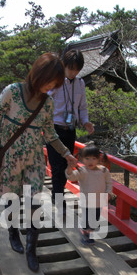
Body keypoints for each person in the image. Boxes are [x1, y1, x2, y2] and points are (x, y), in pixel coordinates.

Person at [0, 53, 77, 272]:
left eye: (55, 84)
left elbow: (50, 134)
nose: (51, 86)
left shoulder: (48, 103)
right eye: (49, 81)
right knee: (10, 198)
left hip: (35, 160)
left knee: (34, 203)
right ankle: (13, 232)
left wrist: (66, 153)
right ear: (38, 74)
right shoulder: (11, 92)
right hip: (10, 158)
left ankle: (32, 248)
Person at [46, 49, 94, 207]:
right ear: (63, 65)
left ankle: (57, 195)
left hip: (70, 129)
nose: (73, 73)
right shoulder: (55, 81)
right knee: (57, 166)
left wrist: (85, 121)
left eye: (76, 70)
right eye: (70, 68)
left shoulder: (80, 83)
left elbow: (82, 107)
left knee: (68, 165)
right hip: (55, 129)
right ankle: (58, 198)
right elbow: (43, 101)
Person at [65, 144, 113, 245]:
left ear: (98, 159)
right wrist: (70, 167)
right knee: (87, 219)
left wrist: (108, 193)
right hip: (86, 200)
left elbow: (109, 183)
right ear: (82, 159)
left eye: (93, 158)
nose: (90, 161)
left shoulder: (104, 171)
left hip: (99, 200)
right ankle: (86, 234)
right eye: (87, 158)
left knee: (95, 218)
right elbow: (71, 177)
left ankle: (88, 230)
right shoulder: (82, 171)